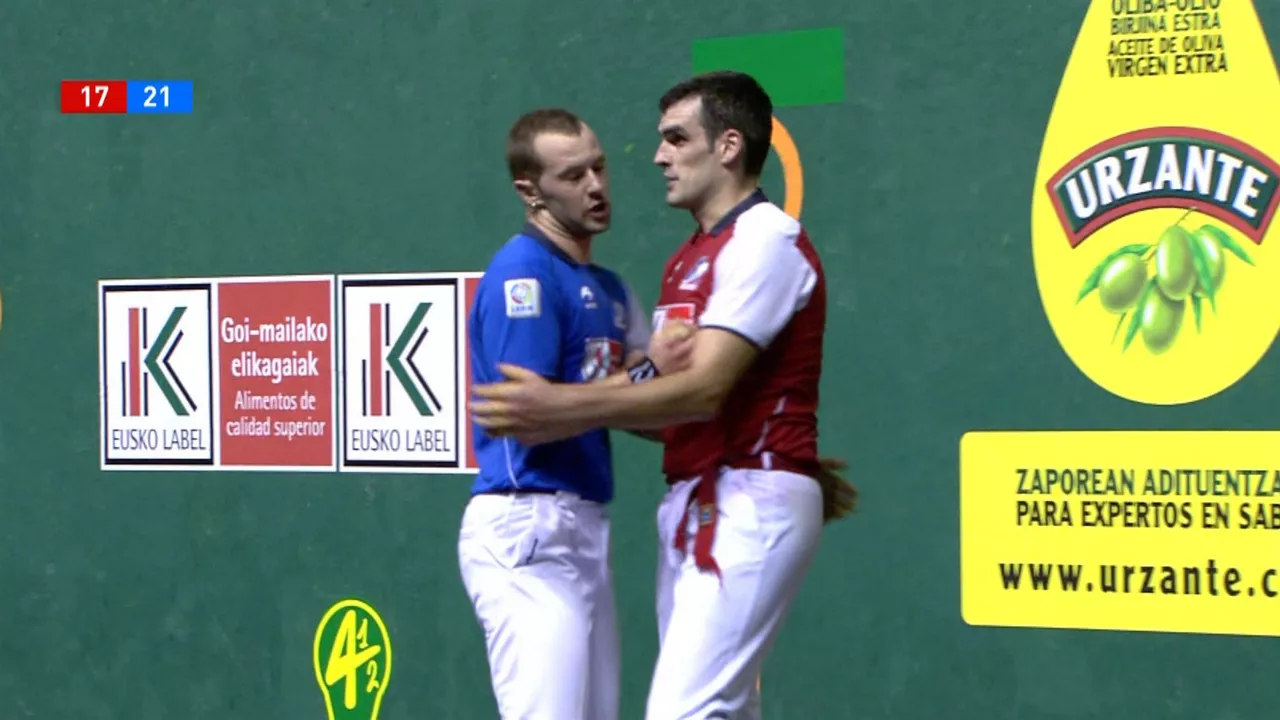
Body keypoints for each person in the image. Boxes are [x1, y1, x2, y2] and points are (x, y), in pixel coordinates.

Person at [471, 71, 851, 720]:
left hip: (744, 496)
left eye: (676, 138)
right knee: (716, 709)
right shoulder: (686, 260)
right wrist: (640, 381)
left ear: (728, 146)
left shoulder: (764, 239)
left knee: (686, 712)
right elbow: (667, 399)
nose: (656, 157)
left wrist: (558, 406)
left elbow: (701, 390)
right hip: (694, 498)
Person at [458, 107, 686, 720]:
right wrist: (644, 376)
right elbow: (529, 415)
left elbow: (650, 411)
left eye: (600, 168)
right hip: (526, 526)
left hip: (584, 526)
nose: (596, 186)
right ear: (530, 191)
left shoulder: (611, 290)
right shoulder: (523, 277)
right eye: (573, 175)